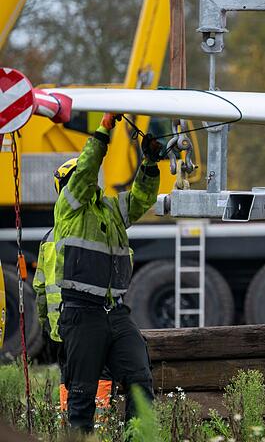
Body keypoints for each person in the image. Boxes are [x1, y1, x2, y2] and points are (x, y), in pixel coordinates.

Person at [52, 112, 163, 431]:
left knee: (140, 382)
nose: (84, 181)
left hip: (116, 313)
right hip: (81, 314)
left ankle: (137, 439)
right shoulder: (68, 210)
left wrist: (149, 164)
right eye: (76, 179)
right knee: (83, 396)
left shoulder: (110, 210)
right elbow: (86, 170)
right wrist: (104, 129)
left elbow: (142, 199)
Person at [33, 229, 112, 417]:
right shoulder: (92, 230)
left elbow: (40, 288)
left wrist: (46, 323)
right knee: (100, 372)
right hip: (89, 321)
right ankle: (101, 427)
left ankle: (69, 428)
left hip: (60, 325)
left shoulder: (48, 238)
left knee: (68, 374)